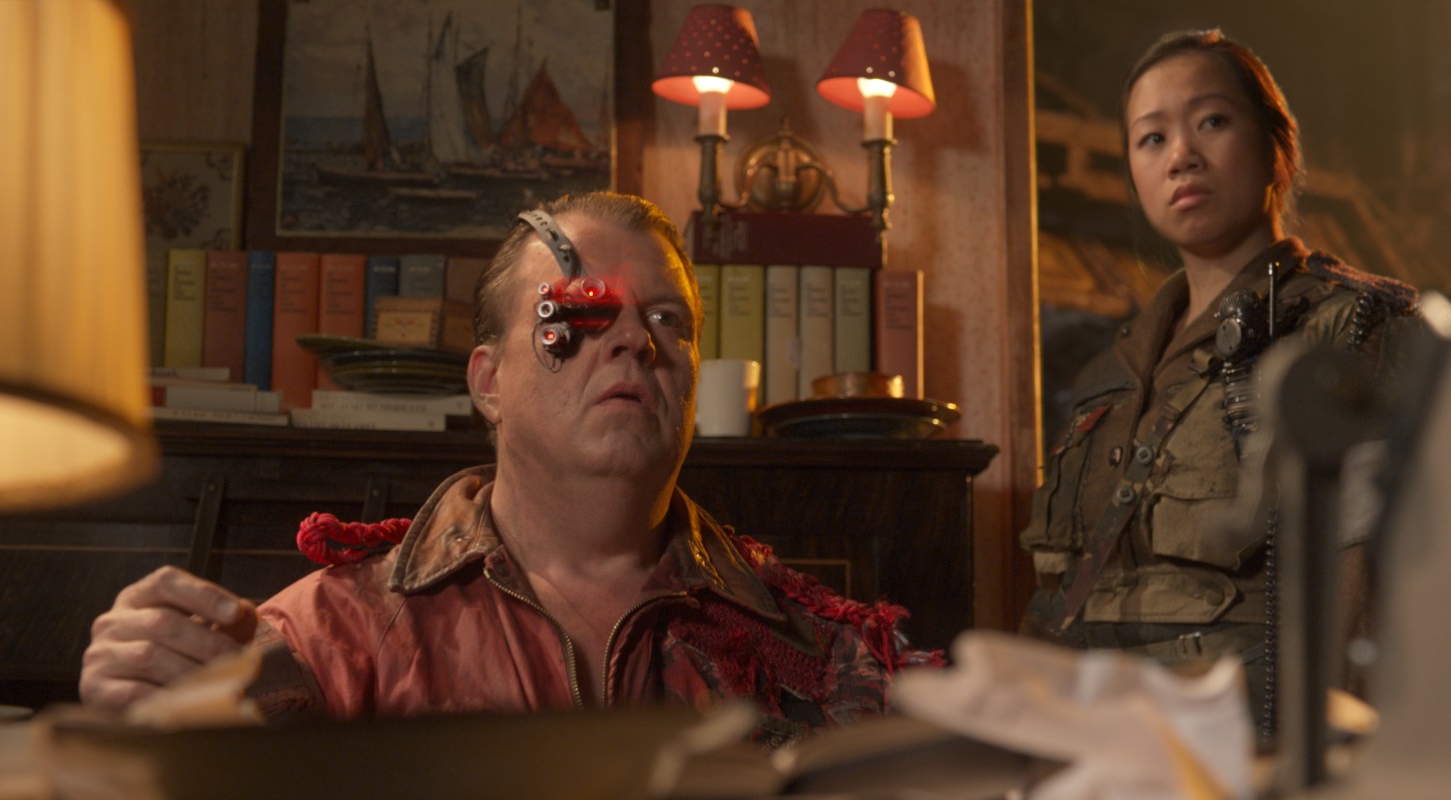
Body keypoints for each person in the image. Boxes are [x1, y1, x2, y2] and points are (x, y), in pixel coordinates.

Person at [81, 192, 935, 747]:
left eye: (668, 320)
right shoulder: (325, 643)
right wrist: (148, 734)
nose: (635, 340)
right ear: (489, 383)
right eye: (581, 313)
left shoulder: (828, 655)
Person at [1015, 29, 1416, 739]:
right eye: (1152, 138)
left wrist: (1334, 756)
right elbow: (1062, 591)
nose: (1181, 156)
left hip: (1249, 734)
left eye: (1212, 121)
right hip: (1096, 731)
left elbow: (1365, 584)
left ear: (1276, 150)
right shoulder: (1110, 373)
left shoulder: (1347, 326)